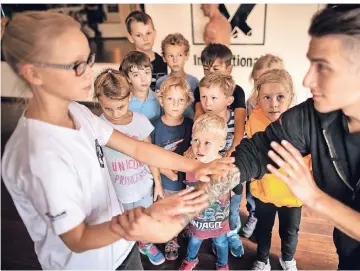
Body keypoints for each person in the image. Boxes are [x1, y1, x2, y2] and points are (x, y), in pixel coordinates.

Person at [128, 4, 360, 270]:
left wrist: (316, 199)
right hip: (350, 255)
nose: (307, 80)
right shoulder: (314, 116)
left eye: (323, 67)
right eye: (311, 64)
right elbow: (253, 154)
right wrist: (188, 209)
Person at [1, 11, 233, 270]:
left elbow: (136, 147)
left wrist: (196, 166)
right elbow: (77, 239)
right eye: (77, 65)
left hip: (120, 246)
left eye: (88, 59)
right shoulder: (39, 156)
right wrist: (140, 222)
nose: (90, 72)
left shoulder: (77, 111)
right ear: (34, 74)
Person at [94, 69, 166, 266]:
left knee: (143, 219)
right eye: (108, 108)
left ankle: (144, 243)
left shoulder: (140, 121)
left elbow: (151, 153)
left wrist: (158, 183)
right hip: (118, 192)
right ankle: (127, 248)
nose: (115, 114)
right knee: (124, 224)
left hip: (143, 186)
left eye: (120, 106)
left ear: (129, 97)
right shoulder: (96, 126)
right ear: (98, 101)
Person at [247, 69, 310, 271]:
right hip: (264, 191)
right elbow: (250, 151)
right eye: (267, 97)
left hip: (292, 195)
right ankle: (262, 259)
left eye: (280, 97)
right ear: (258, 98)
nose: (273, 103)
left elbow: (309, 159)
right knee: (263, 229)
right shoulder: (254, 119)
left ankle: (287, 258)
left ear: (291, 97)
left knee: (290, 231)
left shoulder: (302, 122)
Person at [198, 73, 245, 257]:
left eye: (213, 98)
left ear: (228, 100)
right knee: (213, 209)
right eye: (203, 97)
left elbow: (241, 150)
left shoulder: (235, 119)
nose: (207, 103)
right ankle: (214, 234)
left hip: (232, 177)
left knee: (233, 210)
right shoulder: (202, 121)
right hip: (210, 176)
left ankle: (233, 234)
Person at [241, 54, 285, 239]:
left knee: (272, 191)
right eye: (260, 79)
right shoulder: (251, 102)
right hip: (256, 154)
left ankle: (269, 219)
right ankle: (253, 215)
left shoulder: (285, 102)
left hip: (275, 155)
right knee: (253, 190)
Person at [179, 113, 231, 270]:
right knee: (194, 240)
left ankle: (223, 264)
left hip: (219, 219)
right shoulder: (189, 160)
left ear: (221, 145)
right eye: (196, 140)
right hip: (196, 218)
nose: (200, 148)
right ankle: (190, 259)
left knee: (221, 242)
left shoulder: (224, 165)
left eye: (207, 142)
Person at [151, 76, 194, 261]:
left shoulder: (190, 126)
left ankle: (182, 228)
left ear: (187, 103)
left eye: (180, 100)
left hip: (185, 183)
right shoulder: (153, 126)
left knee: (183, 209)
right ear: (161, 100)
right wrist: (164, 171)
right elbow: (147, 156)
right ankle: (171, 239)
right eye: (170, 99)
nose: (175, 105)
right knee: (168, 213)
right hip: (167, 183)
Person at [193, 43, 246, 157]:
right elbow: (198, 115)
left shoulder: (237, 91)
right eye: (206, 69)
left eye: (216, 69)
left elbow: (239, 121)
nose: (211, 73)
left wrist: (234, 147)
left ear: (228, 69)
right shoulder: (200, 89)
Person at [156, 33, 199, 119]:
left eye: (179, 55)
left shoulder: (194, 82)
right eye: (170, 56)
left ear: (186, 56)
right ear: (164, 58)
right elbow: (160, 109)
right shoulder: (160, 82)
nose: (175, 60)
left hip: (189, 126)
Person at [125, 10, 167, 90]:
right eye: (139, 35)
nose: (145, 39)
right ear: (130, 38)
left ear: (154, 33)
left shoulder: (164, 62)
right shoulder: (127, 66)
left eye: (148, 33)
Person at [119, 51, 161, 121]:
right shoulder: (123, 102)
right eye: (136, 75)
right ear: (128, 78)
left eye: (147, 72)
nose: (143, 79)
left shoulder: (159, 99)